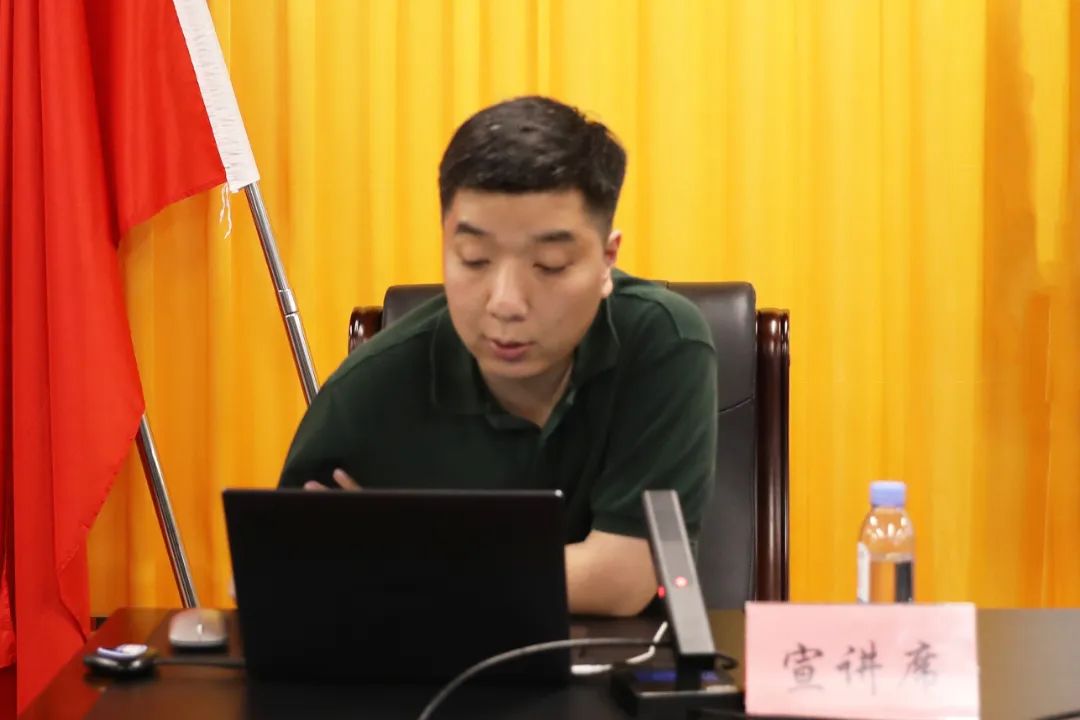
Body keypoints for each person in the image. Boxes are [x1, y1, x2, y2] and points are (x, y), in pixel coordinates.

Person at [279, 95, 717, 617]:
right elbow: (290, 578)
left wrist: (404, 560)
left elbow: (621, 580)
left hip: (616, 663)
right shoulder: (366, 395)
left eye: (549, 264)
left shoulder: (663, 342)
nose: (505, 303)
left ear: (607, 261)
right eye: (474, 260)